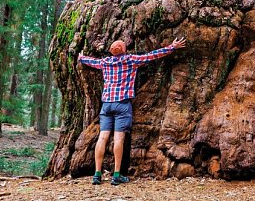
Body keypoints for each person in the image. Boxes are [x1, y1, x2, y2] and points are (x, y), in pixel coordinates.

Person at [78, 36, 187, 186]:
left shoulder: (105, 62)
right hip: (122, 104)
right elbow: (152, 56)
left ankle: (97, 174)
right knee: (118, 139)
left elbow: (91, 61)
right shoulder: (130, 60)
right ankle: (116, 175)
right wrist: (172, 47)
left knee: (102, 138)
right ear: (124, 50)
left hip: (107, 105)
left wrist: (81, 57)